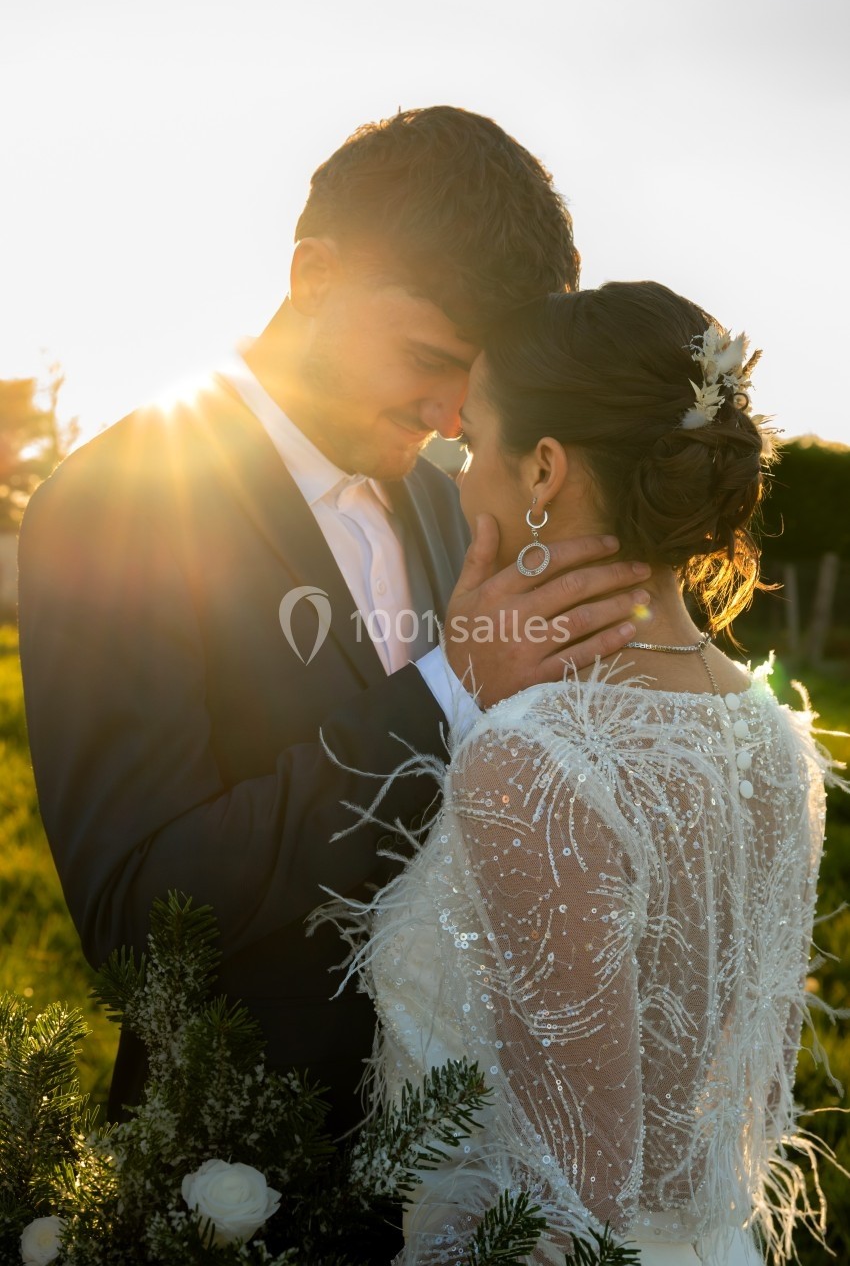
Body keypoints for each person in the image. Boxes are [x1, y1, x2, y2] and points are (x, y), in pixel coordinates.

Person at [16, 107, 650, 1133]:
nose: (450, 415)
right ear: (314, 276)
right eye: (427, 356)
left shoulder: (449, 505)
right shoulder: (122, 498)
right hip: (238, 1163)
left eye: (475, 382)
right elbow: (142, 916)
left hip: (448, 1150)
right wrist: (450, 688)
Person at [321, 282, 840, 1264]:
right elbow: (758, 1101)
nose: (460, 477)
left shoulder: (535, 756)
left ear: (544, 468)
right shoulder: (774, 737)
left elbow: (568, 1200)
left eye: (473, 444)